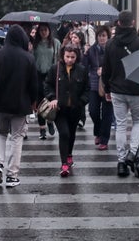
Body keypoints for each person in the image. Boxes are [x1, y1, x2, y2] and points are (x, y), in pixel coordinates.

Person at [0, 25, 37, 187]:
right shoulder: (28, 58)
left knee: (0, 133)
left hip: (1, 104)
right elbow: (33, 85)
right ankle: (12, 175)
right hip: (21, 104)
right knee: (17, 137)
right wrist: (33, 102)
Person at [102, 10, 139, 177]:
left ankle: (121, 161)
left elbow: (105, 69)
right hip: (136, 89)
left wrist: (107, 88)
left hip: (116, 89)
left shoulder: (111, 44)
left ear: (118, 23)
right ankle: (132, 153)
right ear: (133, 23)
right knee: (137, 121)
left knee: (120, 124)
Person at [44, 44, 89, 177]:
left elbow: (87, 89)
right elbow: (47, 84)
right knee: (64, 133)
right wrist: (52, 97)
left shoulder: (81, 70)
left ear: (77, 57)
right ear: (63, 56)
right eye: (67, 56)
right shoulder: (55, 69)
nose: (69, 59)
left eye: (72, 57)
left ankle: (69, 154)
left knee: (72, 133)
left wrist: (81, 102)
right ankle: (64, 164)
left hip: (75, 109)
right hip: (59, 109)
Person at [86, 24, 113, 150]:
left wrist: (105, 70)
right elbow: (84, 65)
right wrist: (84, 54)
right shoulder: (91, 49)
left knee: (107, 113)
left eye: (104, 36)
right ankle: (98, 130)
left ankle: (104, 140)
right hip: (94, 84)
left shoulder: (112, 49)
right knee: (93, 110)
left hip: (108, 85)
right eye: (99, 36)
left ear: (108, 37)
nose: (101, 38)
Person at [32, 23, 60, 140]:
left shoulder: (55, 43)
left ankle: (50, 120)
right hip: (38, 74)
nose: (44, 32)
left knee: (49, 99)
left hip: (51, 74)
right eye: (41, 30)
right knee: (39, 101)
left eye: (46, 30)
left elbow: (59, 57)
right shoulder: (35, 44)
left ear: (49, 31)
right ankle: (42, 128)